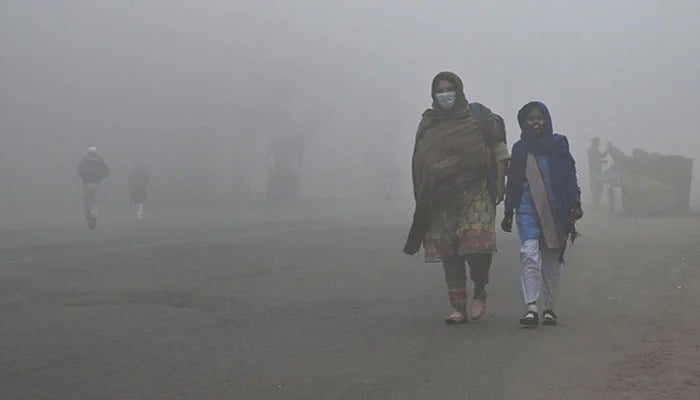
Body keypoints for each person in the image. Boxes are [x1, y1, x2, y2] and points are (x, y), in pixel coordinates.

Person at [404, 71, 509, 325]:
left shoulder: (479, 116)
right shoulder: (429, 123)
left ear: (459, 90)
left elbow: (499, 150)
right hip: (442, 197)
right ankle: (459, 307)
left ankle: (480, 289)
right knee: (450, 253)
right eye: (439, 91)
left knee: (477, 247)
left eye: (449, 89)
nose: (445, 95)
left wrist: (501, 183)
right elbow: (421, 160)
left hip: (477, 191)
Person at [501, 102, 583, 326]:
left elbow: (569, 175)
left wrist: (575, 202)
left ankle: (549, 307)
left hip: (556, 211)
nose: (536, 122)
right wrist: (508, 212)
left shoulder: (558, 145)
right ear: (524, 123)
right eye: (531, 119)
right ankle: (531, 307)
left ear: (546, 120)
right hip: (526, 210)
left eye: (539, 118)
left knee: (550, 260)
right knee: (529, 254)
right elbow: (514, 183)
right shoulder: (519, 149)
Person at [77, 147, 110, 229]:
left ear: (88, 152)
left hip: (87, 183)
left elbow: (79, 170)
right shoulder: (100, 160)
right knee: (96, 200)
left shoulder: (84, 160)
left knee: (87, 200)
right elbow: (107, 171)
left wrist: (84, 177)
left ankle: (88, 216)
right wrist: (100, 177)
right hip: (97, 183)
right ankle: (94, 215)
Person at [587, 137, 608, 209]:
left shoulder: (595, 150)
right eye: (597, 142)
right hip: (594, 171)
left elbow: (601, 156)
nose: (598, 143)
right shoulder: (591, 150)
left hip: (597, 171)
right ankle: (596, 204)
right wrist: (601, 161)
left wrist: (608, 150)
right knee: (596, 187)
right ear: (594, 142)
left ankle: (597, 203)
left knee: (598, 187)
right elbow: (593, 162)